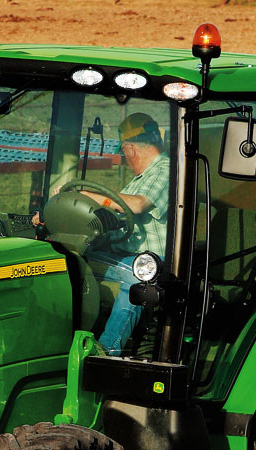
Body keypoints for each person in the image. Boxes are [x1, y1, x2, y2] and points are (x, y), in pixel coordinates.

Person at [93, 113, 171, 353]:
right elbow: (118, 214)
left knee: (137, 276)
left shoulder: (167, 170)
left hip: (153, 264)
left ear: (131, 148)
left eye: (124, 151)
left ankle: (107, 351)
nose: (125, 158)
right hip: (124, 256)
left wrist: (88, 195)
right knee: (70, 262)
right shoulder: (139, 181)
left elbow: (136, 205)